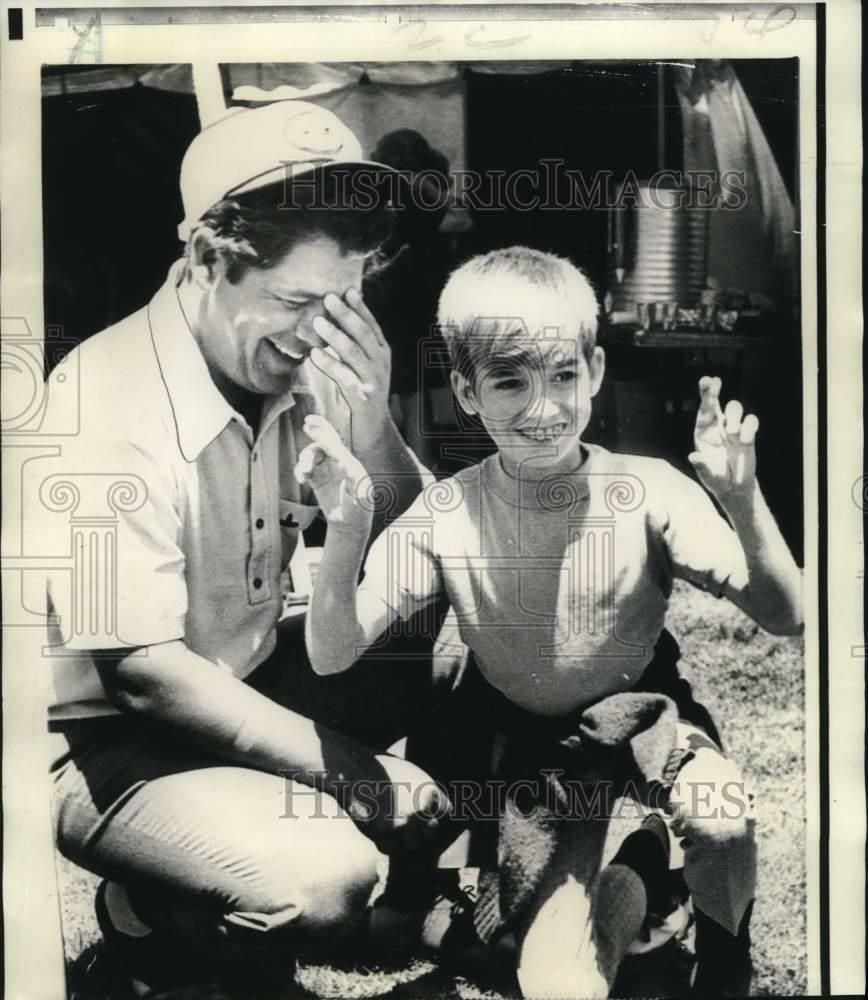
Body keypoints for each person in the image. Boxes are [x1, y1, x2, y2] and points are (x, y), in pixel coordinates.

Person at [299, 246, 804, 998]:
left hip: (641, 721)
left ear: (595, 372)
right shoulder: (446, 514)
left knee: (722, 814)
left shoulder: (649, 490)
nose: (544, 409)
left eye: (564, 376)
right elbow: (333, 653)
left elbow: (785, 614)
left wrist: (742, 498)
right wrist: (346, 532)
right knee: (558, 985)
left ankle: (723, 956)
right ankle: (640, 869)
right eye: (510, 381)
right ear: (467, 392)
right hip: (533, 762)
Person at [41, 101, 451, 998]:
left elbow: (418, 544)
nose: (315, 331)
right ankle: (145, 917)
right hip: (103, 744)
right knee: (324, 883)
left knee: (442, 634)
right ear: (205, 262)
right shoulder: (102, 399)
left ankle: (429, 898)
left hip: (246, 677)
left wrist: (375, 422)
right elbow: (140, 672)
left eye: (341, 302)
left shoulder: (301, 356)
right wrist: (354, 770)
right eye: (296, 301)